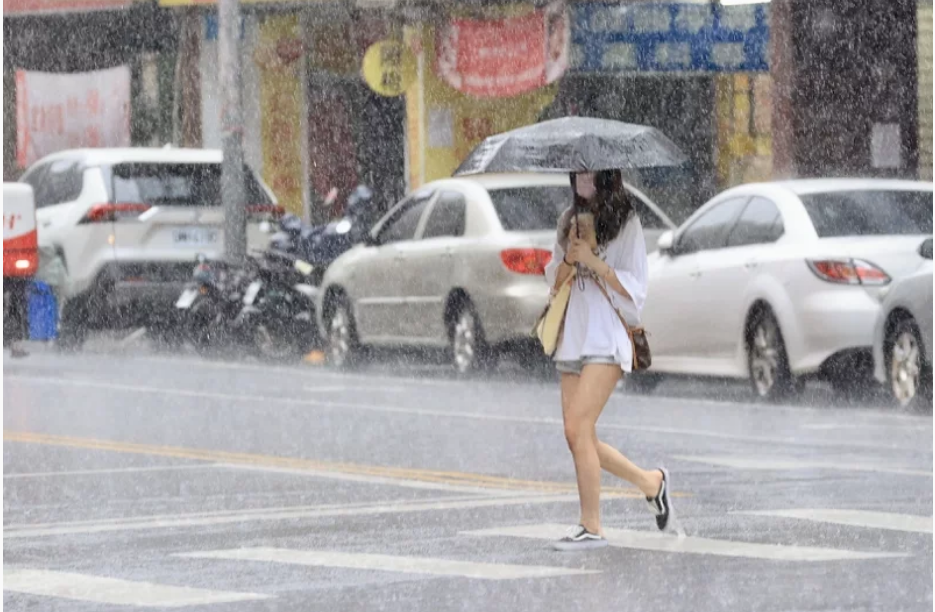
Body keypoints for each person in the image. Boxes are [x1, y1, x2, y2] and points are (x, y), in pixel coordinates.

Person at [543, 169, 672, 552]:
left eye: (590, 173)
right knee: (576, 434)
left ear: (606, 176)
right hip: (572, 335)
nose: (583, 181)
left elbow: (636, 288)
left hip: (606, 334)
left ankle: (592, 526)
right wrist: (569, 256)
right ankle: (652, 483)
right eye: (577, 174)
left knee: (579, 427)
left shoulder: (626, 220)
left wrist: (594, 260)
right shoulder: (568, 220)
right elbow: (555, 280)